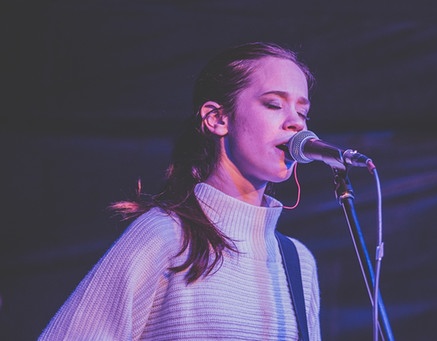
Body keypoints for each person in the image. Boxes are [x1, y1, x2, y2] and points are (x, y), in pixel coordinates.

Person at [39, 42, 321, 340]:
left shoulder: (298, 263)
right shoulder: (166, 236)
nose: (295, 124)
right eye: (274, 104)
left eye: (303, 112)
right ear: (217, 118)